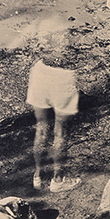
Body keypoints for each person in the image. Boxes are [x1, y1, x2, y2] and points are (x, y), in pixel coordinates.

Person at [26, 39, 82, 194]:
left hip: (40, 70)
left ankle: (38, 175)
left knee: (41, 128)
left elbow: (32, 45)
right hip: (62, 74)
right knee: (61, 131)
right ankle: (58, 179)